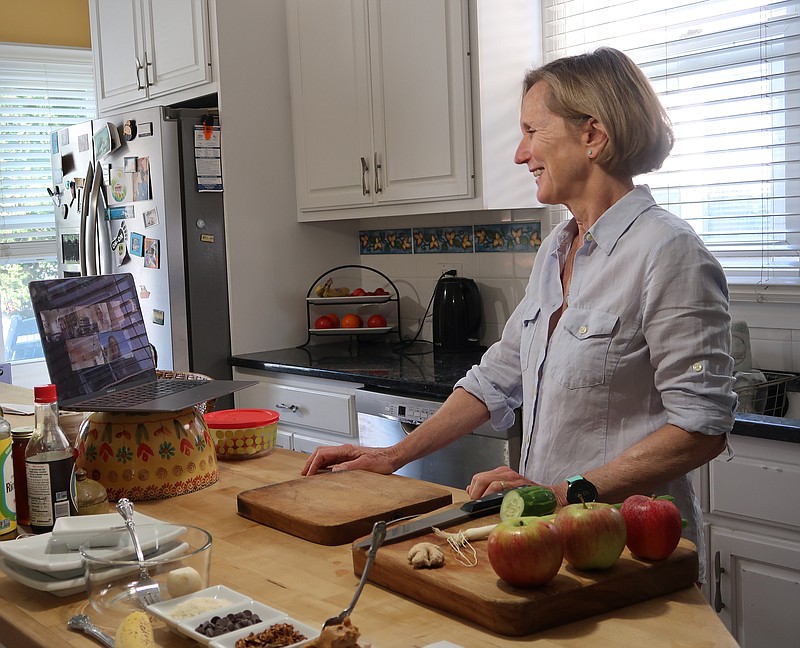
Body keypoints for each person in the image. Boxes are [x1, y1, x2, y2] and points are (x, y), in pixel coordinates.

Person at [302, 47, 737, 580]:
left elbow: (701, 428)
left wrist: (559, 494)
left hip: (630, 551)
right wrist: (389, 458)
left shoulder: (669, 252)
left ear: (593, 136)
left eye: (532, 131)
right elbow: (497, 377)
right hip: (546, 538)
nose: (518, 153)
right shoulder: (556, 249)